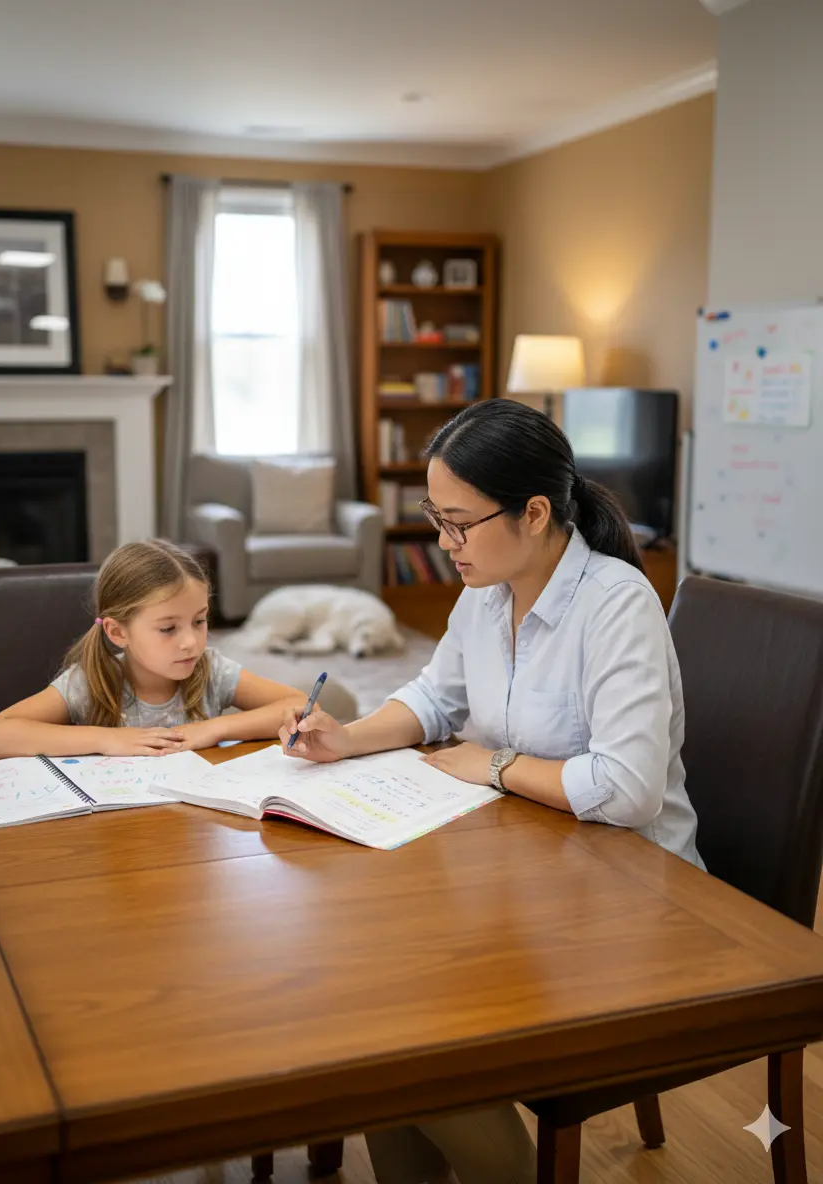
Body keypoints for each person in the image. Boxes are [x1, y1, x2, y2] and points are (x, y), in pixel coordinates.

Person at [277, 399, 703, 1184]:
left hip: (636, 900)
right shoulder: (486, 592)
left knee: (410, 1029)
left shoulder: (615, 605)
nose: (443, 545)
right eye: (435, 517)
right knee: (377, 1001)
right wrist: (348, 736)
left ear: (535, 512)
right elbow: (437, 697)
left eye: (459, 523)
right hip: (535, 876)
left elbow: (630, 788)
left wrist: (494, 765)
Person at [0, 539, 306, 760]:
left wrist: (213, 728)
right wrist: (106, 740)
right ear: (118, 632)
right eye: (168, 628)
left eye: (200, 621)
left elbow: (301, 706)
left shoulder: (212, 671)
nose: (190, 641)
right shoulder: (91, 682)